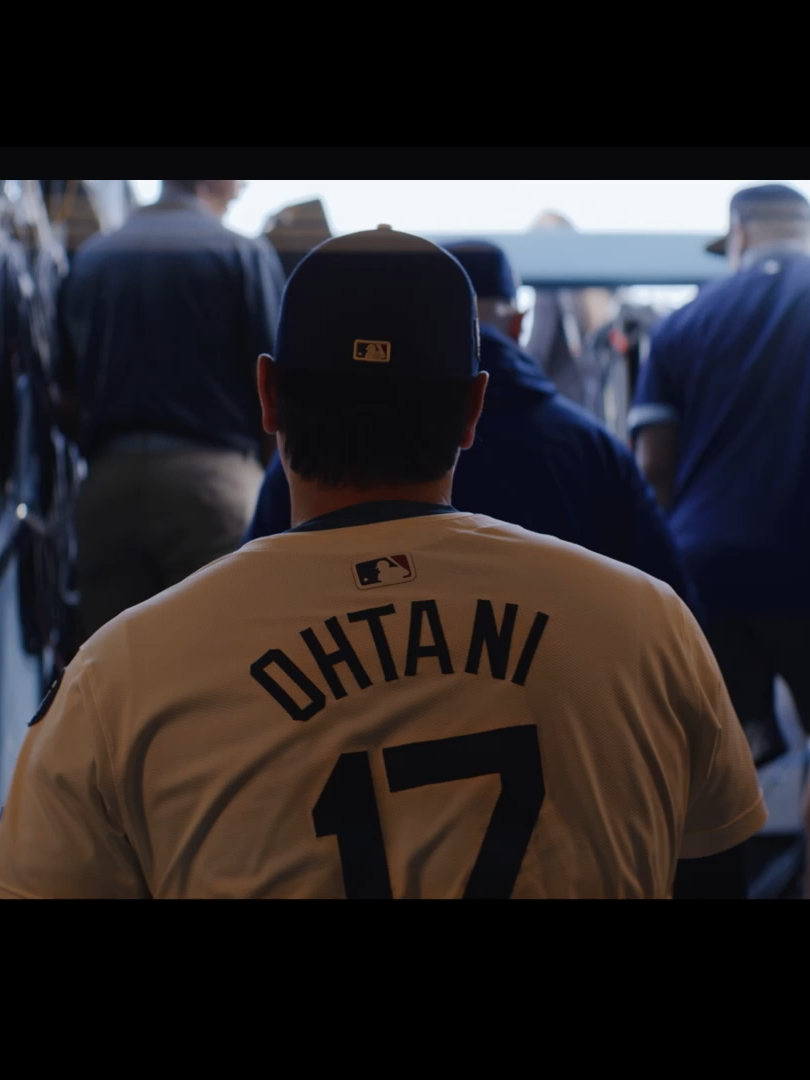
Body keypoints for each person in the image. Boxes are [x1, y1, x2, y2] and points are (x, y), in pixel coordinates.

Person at [0, 226, 765, 900]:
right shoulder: (648, 624)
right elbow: (716, 862)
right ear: (473, 411)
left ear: (267, 396)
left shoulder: (121, 676)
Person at [245, 239, 696, 611]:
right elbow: (671, 594)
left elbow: (254, 587)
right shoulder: (593, 448)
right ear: (472, 408)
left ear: (268, 395)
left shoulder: (304, 446)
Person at [629, 183, 810, 771]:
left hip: (711, 573)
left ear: (739, 234)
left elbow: (653, 466)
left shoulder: (683, 324)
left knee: (725, 763)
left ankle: (737, 854)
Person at [57, 179, 285, 641]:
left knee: (112, 686)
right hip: (212, 489)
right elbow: (277, 388)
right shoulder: (242, 253)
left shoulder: (93, 256)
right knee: (218, 671)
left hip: (106, 491)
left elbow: (65, 393)